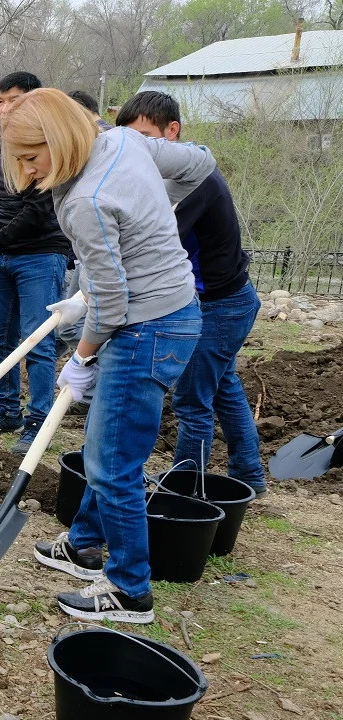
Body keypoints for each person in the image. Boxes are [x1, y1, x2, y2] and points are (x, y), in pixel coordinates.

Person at [1, 88, 214, 623]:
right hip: (166, 312)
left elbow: (115, 303)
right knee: (109, 438)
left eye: (31, 157)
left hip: (147, 327)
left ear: (60, 139)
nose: (25, 173)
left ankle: (129, 589)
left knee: (111, 460)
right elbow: (201, 162)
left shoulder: (85, 201)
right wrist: (152, 215)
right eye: (18, 160)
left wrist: (83, 355)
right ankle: (84, 544)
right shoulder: (125, 141)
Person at [117, 91, 267, 497]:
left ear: (172, 132)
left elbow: (155, 243)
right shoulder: (167, 179)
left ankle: (182, 494)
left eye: (147, 137)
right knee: (222, 386)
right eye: (130, 139)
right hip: (227, 300)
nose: (138, 149)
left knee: (191, 401)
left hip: (221, 305)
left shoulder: (192, 183)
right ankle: (249, 474)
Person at [0, 72, 72, 455]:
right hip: (4, 255)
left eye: (13, 100)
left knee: (37, 341)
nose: (4, 109)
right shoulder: (8, 142)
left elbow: (36, 212)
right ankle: (6, 412)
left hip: (39, 254)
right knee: (0, 337)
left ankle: (38, 420)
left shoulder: (46, 144)